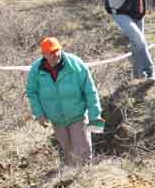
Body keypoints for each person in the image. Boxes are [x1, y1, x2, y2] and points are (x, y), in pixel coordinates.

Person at [25, 37, 103, 166]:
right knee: (68, 154)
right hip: (56, 120)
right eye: (51, 52)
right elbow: (32, 92)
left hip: (77, 116)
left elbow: (90, 91)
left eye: (57, 50)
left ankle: (85, 175)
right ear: (44, 54)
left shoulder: (76, 64)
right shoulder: (36, 70)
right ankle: (71, 176)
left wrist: (95, 115)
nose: (55, 54)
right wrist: (39, 114)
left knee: (83, 152)